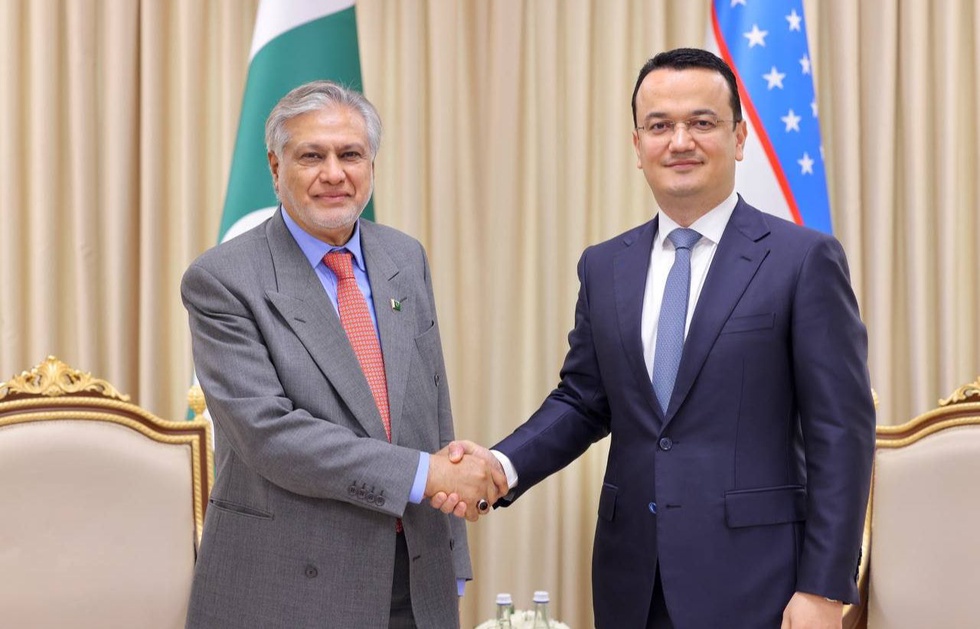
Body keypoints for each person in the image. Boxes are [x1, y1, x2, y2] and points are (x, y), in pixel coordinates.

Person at [436, 48, 876, 628]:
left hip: (760, 583)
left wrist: (823, 587)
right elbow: (583, 401)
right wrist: (500, 465)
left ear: (739, 138)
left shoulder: (802, 260)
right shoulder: (604, 266)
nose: (680, 141)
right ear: (637, 145)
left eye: (702, 122)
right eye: (660, 126)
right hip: (633, 581)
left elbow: (841, 432)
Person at [182, 80, 506, 629]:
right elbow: (269, 434)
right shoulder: (223, 279)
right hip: (288, 586)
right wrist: (425, 474)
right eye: (312, 156)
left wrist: (452, 559)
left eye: (350, 155)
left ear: (371, 165)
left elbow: (432, 407)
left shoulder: (404, 256)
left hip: (415, 575)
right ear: (275, 168)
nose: (334, 174)